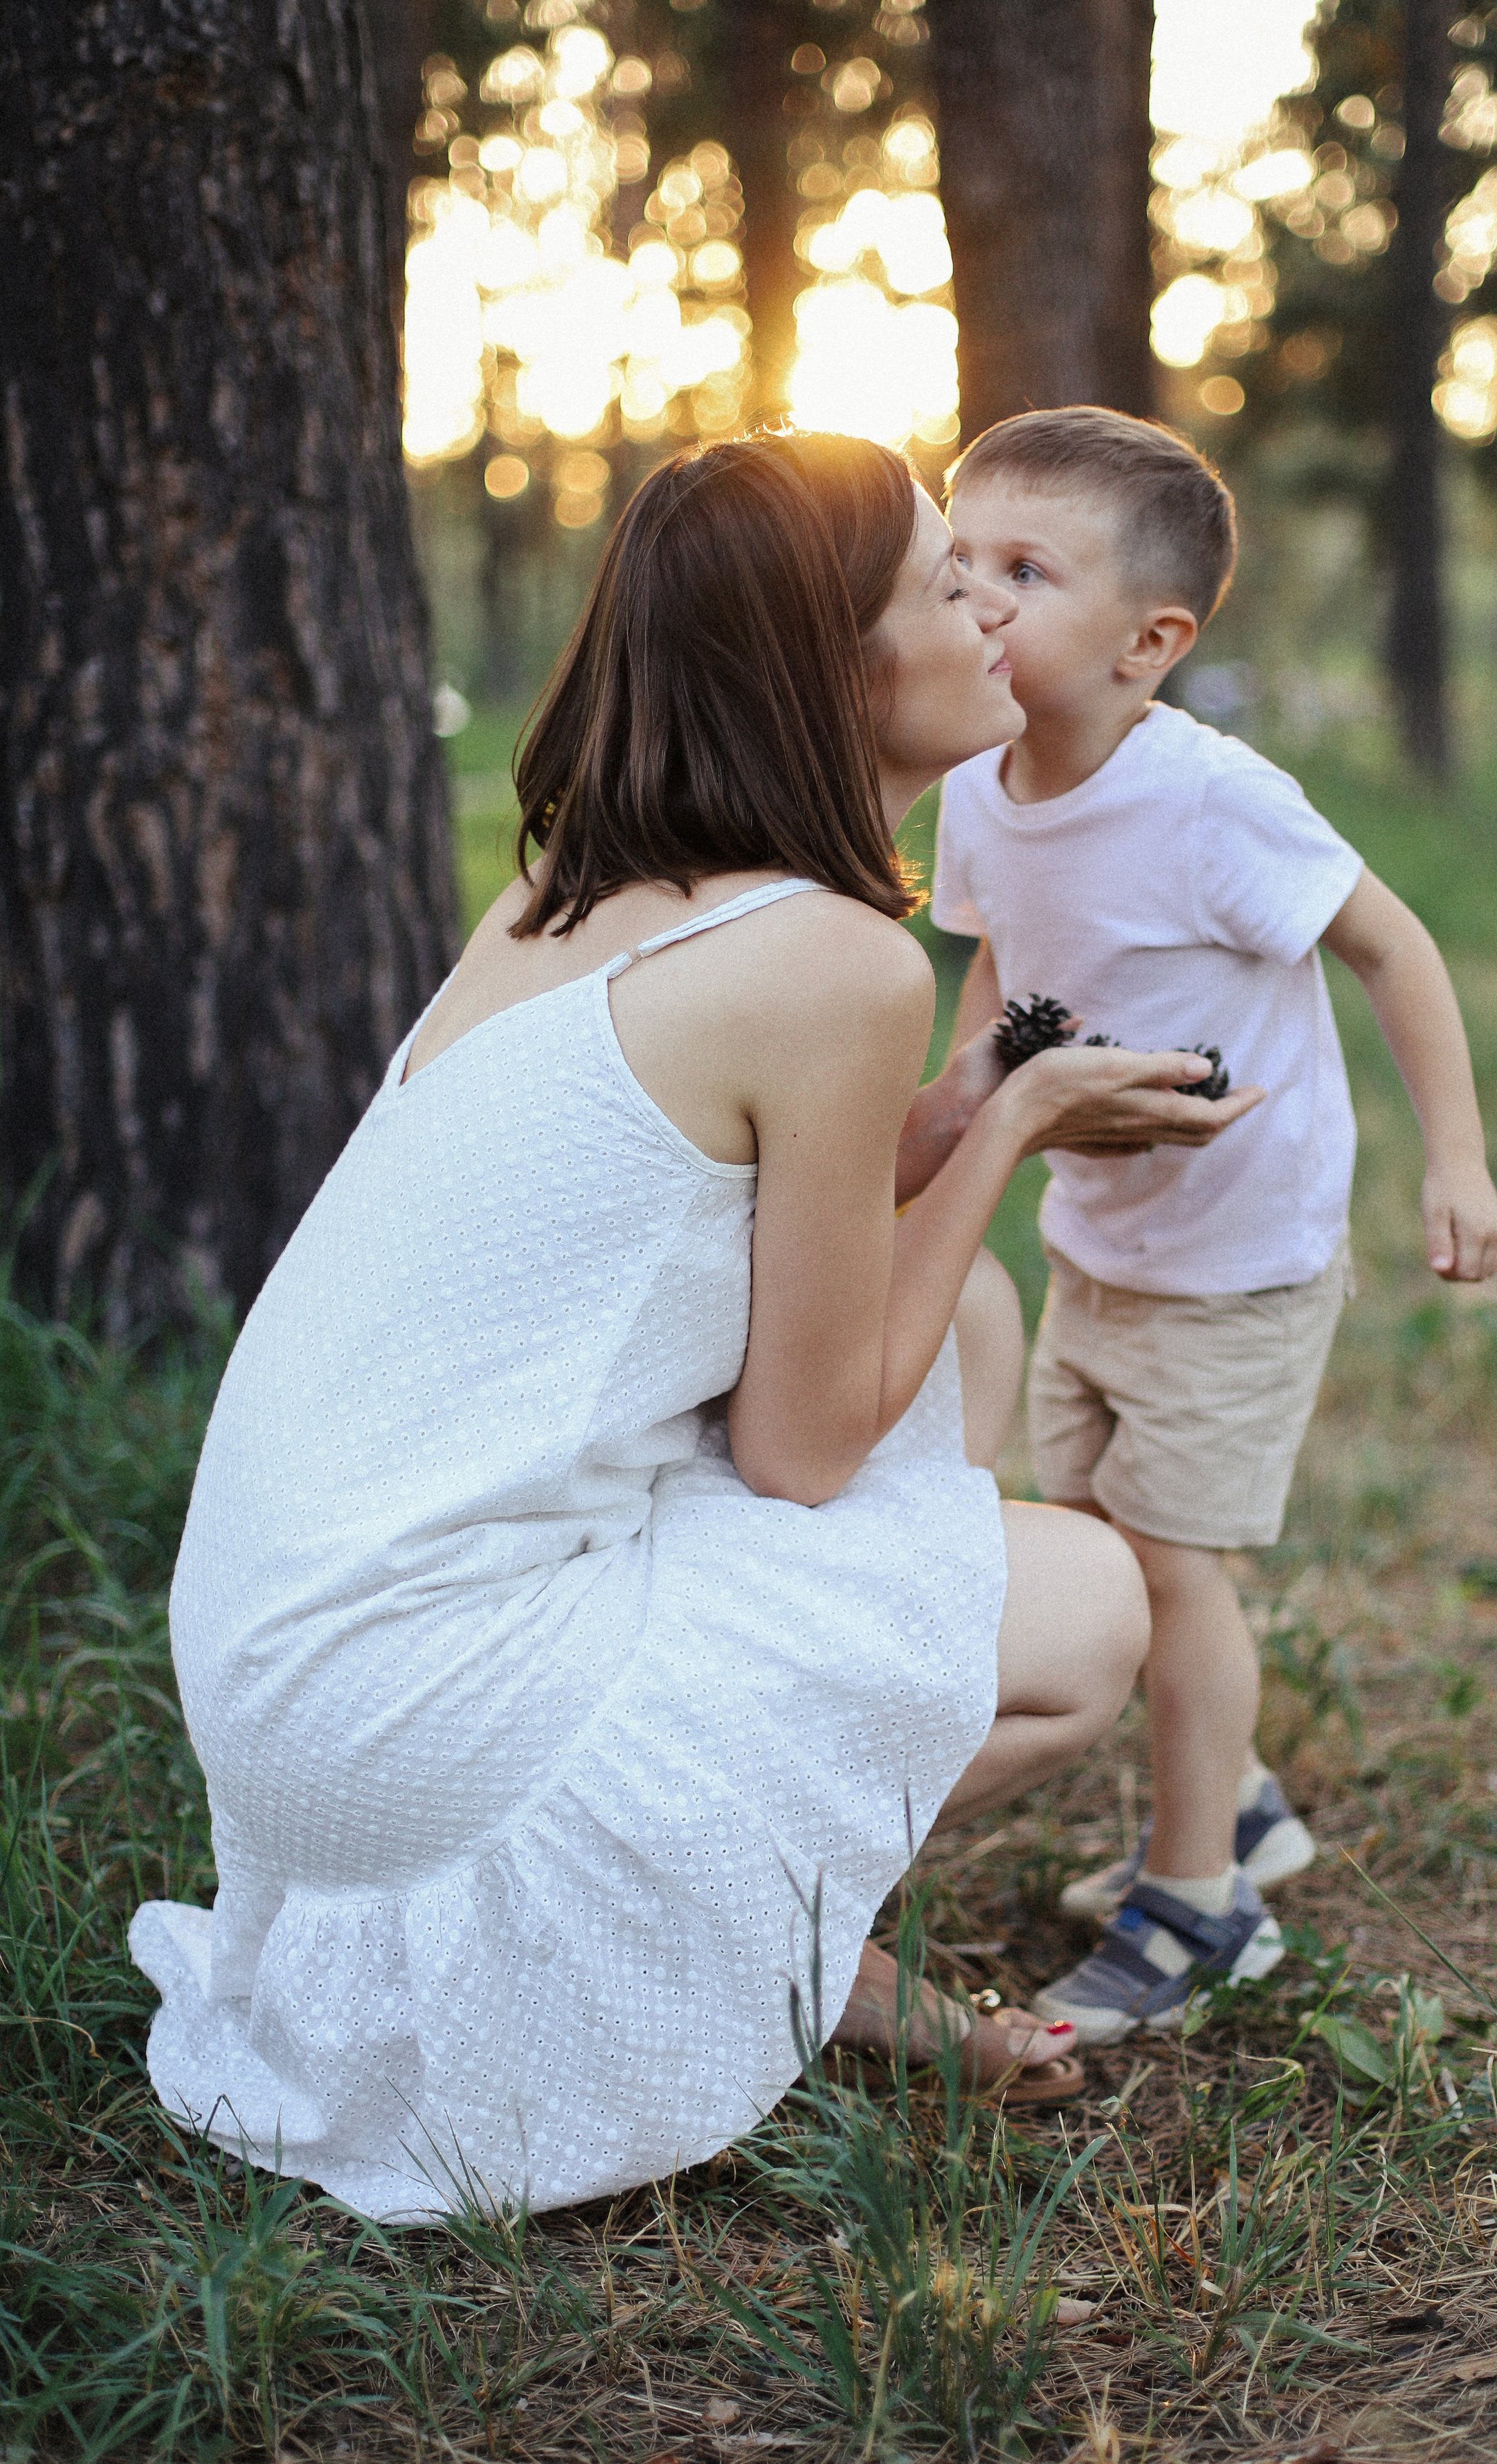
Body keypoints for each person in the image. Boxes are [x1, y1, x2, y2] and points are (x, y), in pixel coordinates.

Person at [129, 433, 1252, 2225]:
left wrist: (957, 1108)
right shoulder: (832, 962)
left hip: (290, 1691)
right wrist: (1025, 1129)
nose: (986, 609)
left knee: (959, 1311)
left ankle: (798, 1924)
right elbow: (798, 1453)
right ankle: (776, 1943)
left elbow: (700, 1214)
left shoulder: (577, 890)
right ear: (831, 671)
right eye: (936, 583)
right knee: (1094, 1604)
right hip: (422, 1718)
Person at [932, 407, 1497, 2045]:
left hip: (1235, 1256)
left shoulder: (1213, 801)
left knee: (1174, 1578)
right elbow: (996, 963)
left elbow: (1394, 951)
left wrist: (1451, 1159)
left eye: (1022, 570)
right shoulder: (978, 782)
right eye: (959, 557)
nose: (974, 595)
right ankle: (1237, 1804)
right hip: (1098, 1239)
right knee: (1098, 1537)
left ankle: (1198, 1904)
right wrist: (955, 1110)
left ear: (1149, 642)